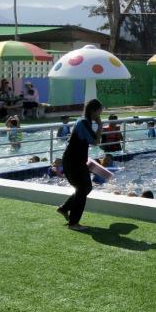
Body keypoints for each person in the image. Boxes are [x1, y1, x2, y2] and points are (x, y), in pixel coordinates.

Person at [57, 98, 102, 231]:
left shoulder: (83, 121)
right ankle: (73, 223)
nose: (100, 114)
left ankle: (64, 208)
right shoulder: (83, 122)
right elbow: (95, 141)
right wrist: (100, 126)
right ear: (94, 111)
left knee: (85, 188)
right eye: (99, 111)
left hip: (75, 161)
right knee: (83, 189)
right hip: (73, 162)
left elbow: (93, 140)